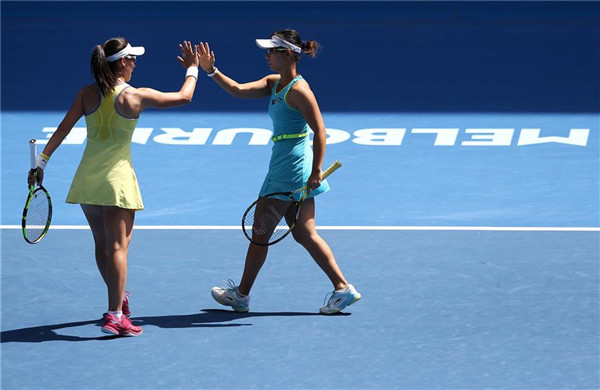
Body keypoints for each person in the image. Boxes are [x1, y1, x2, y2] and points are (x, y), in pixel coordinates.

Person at [27, 38, 202, 336]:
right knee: (119, 247)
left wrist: (41, 164)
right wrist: (193, 69)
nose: (135, 63)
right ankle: (115, 315)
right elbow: (184, 97)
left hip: (88, 179)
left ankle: (118, 298)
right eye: (132, 58)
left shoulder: (86, 94)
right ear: (122, 62)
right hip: (117, 181)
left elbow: (63, 129)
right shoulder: (135, 96)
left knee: (103, 246)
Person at [199, 29, 361, 314]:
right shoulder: (274, 83)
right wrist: (211, 71)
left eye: (271, 51)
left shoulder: (299, 91)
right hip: (290, 166)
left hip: (289, 170)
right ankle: (343, 288)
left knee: (260, 234)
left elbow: (321, 131)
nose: (267, 55)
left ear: (287, 54)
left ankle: (241, 295)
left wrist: (316, 170)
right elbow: (237, 90)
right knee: (305, 234)